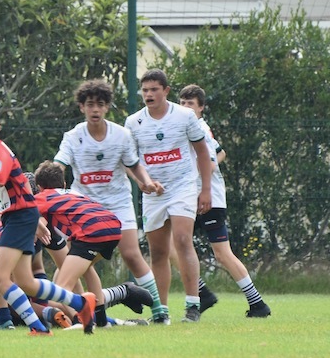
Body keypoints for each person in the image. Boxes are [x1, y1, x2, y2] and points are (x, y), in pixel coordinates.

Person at [0, 102, 96, 335]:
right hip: (20, 217)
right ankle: (80, 304)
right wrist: (34, 217)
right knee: (25, 282)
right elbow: (22, 183)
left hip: (18, 218)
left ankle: (40, 326)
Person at [54, 79, 167, 320]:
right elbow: (59, 164)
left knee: (131, 254)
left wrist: (146, 182)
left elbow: (134, 165)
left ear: (107, 107)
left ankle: (160, 310)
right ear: (82, 107)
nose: (95, 109)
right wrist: (51, 181)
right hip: (84, 208)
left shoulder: (121, 135)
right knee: (78, 260)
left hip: (118, 203)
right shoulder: (73, 136)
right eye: (90, 104)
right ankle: (90, 313)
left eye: (100, 104)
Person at [124, 69, 213, 324]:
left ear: (166, 91)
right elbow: (129, 162)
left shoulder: (184, 116)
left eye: (154, 89)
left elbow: (203, 153)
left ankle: (193, 305)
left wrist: (205, 189)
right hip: (155, 194)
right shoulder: (133, 123)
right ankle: (161, 312)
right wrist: (143, 183)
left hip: (183, 186)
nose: (149, 94)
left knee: (183, 240)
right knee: (158, 251)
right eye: (145, 90)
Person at [178, 84, 271, 318]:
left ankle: (257, 304)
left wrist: (202, 185)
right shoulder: (191, 127)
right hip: (191, 196)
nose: (186, 107)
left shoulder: (198, 127)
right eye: (183, 103)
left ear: (201, 108)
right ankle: (203, 293)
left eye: (191, 104)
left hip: (208, 199)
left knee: (221, 253)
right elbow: (220, 153)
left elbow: (209, 162)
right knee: (173, 244)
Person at [33, 160, 123, 328]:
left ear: (39, 187)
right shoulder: (75, 193)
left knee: (62, 287)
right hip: (113, 227)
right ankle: (101, 321)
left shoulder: (43, 196)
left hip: (91, 232)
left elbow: (26, 213)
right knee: (87, 268)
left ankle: (81, 320)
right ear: (64, 183)